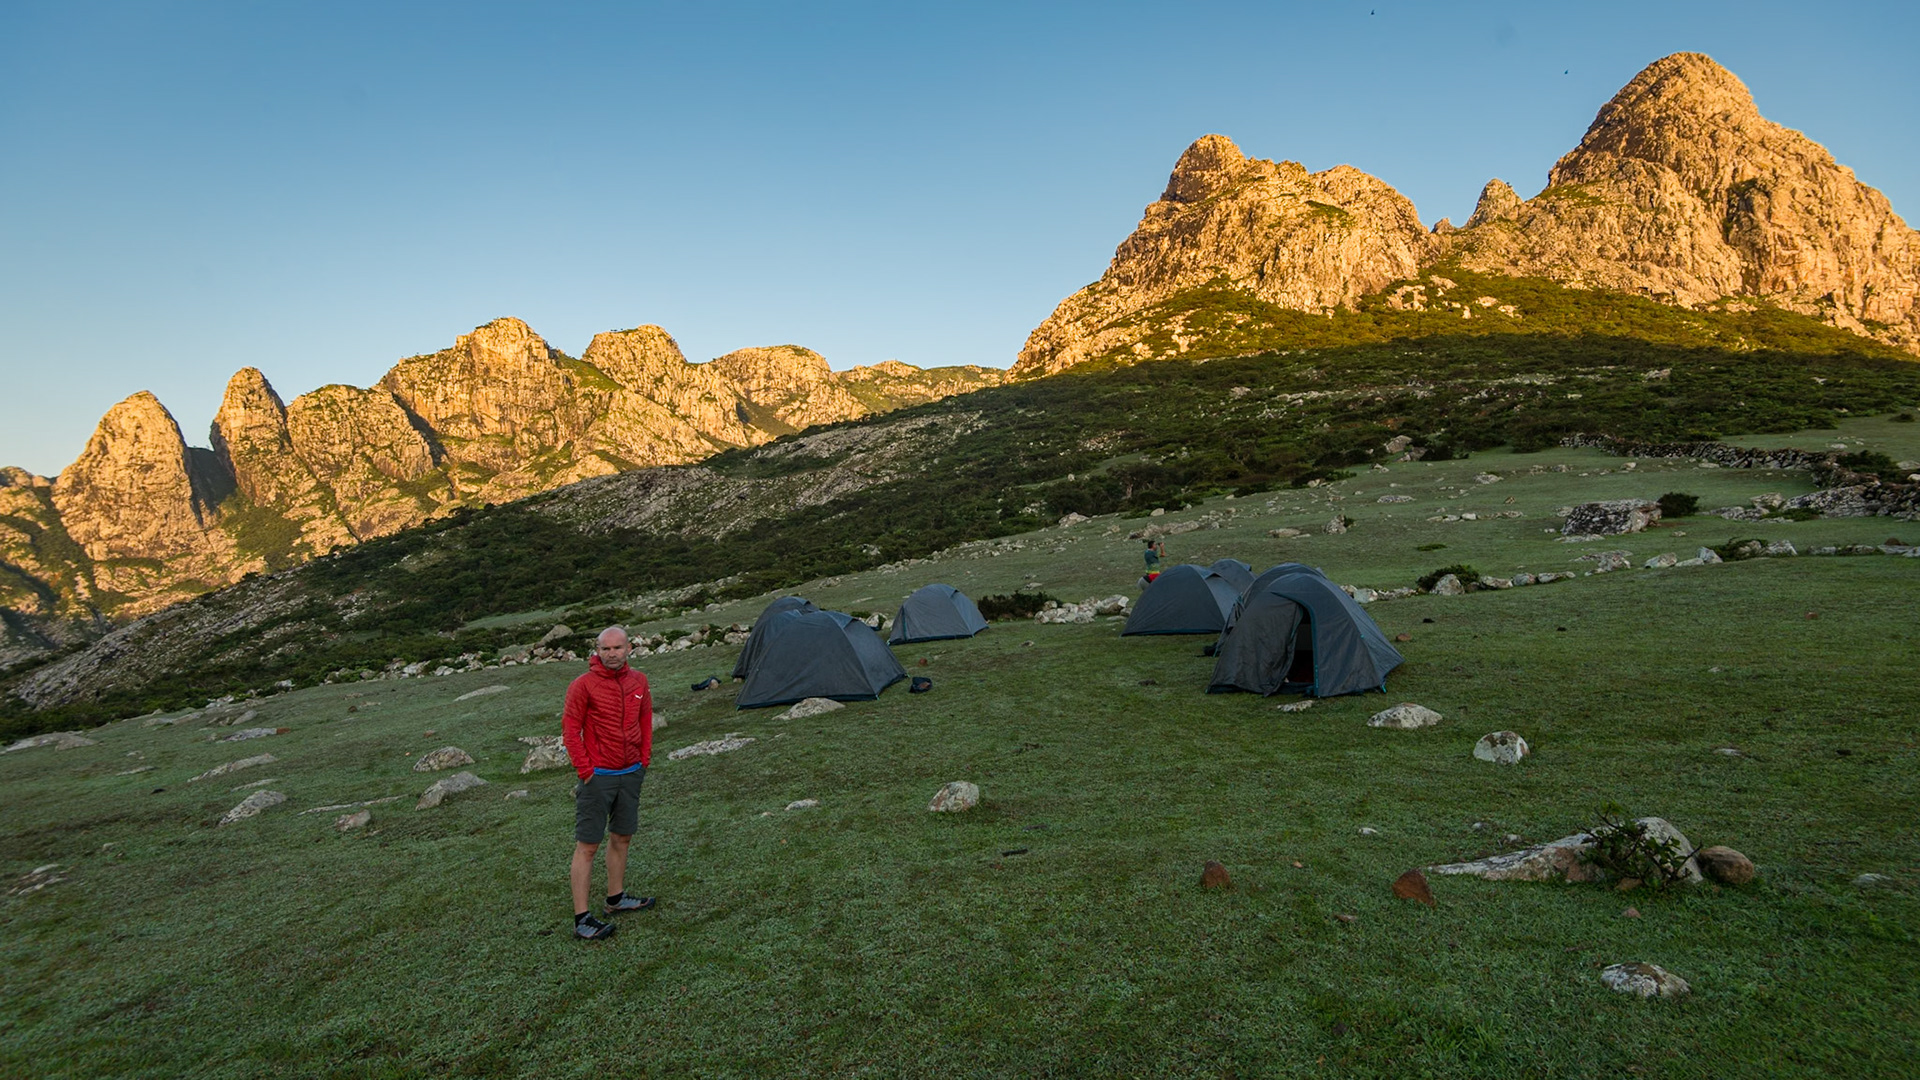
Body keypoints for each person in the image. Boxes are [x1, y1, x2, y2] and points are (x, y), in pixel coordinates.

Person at [562, 625, 656, 940]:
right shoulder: (583, 685)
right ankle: (582, 919)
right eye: (606, 649)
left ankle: (616, 898)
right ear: (597, 651)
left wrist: (644, 759)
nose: (612, 654)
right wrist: (585, 769)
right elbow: (570, 728)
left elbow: (645, 719)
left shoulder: (639, 681)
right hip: (598, 777)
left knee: (622, 837)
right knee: (588, 845)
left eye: (617, 648)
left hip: (631, 773)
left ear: (629, 648)